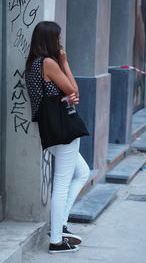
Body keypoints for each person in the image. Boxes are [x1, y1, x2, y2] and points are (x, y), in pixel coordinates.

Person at [25, 21, 90, 253]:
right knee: (61, 183)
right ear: (50, 40)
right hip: (63, 127)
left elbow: (62, 94)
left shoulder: (32, 63)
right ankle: (56, 240)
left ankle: (60, 224)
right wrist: (64, 61)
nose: (60, 42)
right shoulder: (50, 63)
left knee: (83, 172)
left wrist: (69, 95)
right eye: (58, 38)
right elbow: (74, 90)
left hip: (49, 127)